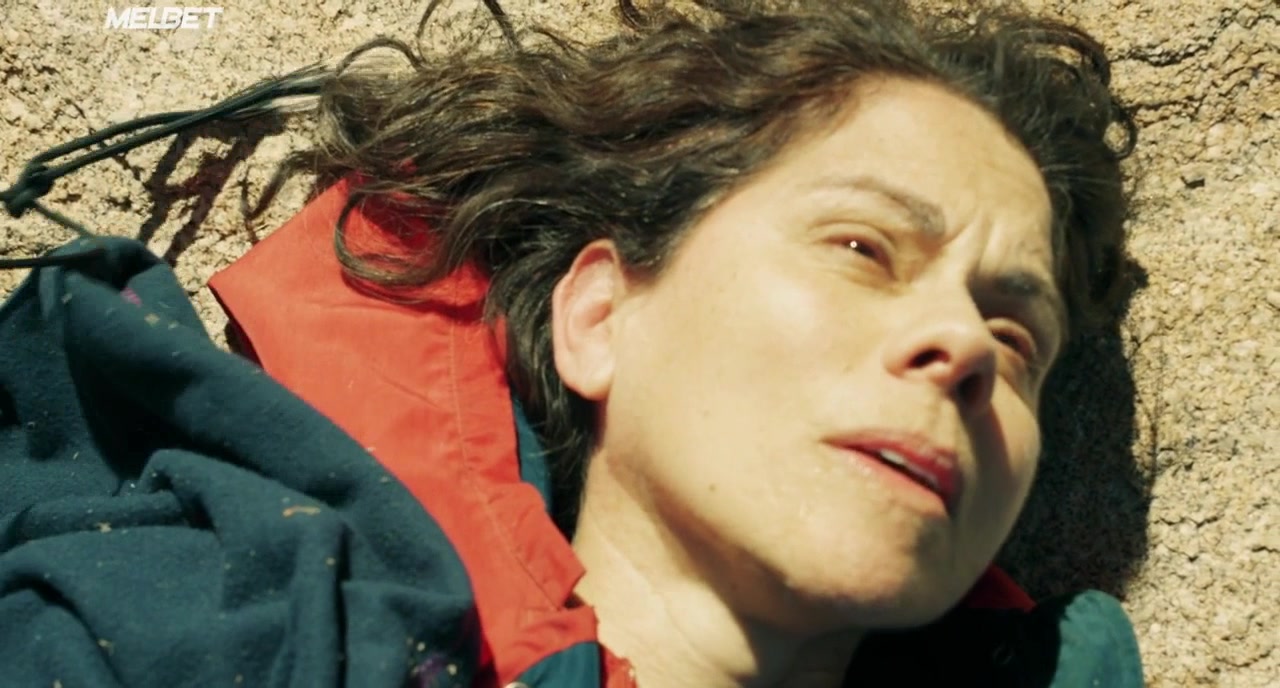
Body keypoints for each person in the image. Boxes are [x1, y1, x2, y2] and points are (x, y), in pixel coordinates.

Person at [0, 0, 1145, 686]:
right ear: (597, 318)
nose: (962, 343)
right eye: (861, 247)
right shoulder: (205, 633)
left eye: (1016, 334)